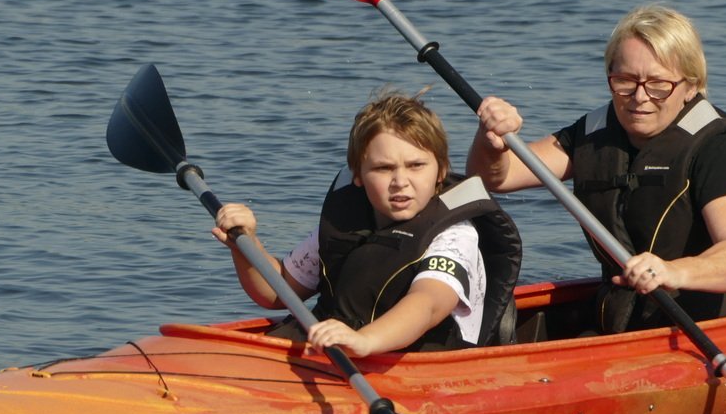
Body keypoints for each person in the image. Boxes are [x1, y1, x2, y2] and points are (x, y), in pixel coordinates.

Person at [467, 4, 726, 333]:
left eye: (659, 84)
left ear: (691, 86)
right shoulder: (593, 136)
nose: (639, 97)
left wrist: (671, 271)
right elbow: (495, 177)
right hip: (627, 311)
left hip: (712, 318)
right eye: (625, 81)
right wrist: (492, 140)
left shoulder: (718, 149)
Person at [214, 90, 521, 357]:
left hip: (414, 366)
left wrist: (363, 341)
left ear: (440, 171)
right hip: (338, 354)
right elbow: (277, 293)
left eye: (416, 166)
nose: (400, 182)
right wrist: (246, 245)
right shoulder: (346, 220)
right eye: (383, 168)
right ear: (358, 174)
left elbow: (428, 303)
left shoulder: (454, 234)